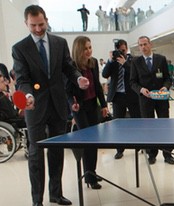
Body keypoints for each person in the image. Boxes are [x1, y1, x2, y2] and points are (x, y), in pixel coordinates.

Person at [12, 5, 89, 206]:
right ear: (26, 23)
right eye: (33, 25)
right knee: (36, 153)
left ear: (46, 20)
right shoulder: (19, 48)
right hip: (34, 106)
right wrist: (28, 94)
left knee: (57, 150)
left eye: (41, 24)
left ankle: (56, 193)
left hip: (57, 104)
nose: (38, 29)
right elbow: (22, 78)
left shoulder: (59, 43)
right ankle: (37, 199)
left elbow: (68, 68)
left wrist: (78, 78)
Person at [66, 36, 108, 190]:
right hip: (80, 107)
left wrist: (103, 105)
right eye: (85, 48)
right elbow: (67, 91)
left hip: (92, 105)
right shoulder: (71, 66)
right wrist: (72, 105)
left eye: (90, 47)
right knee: (88, 141)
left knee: (94, 140)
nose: (89, 51)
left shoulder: (93, 62)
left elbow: (97, 85)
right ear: (78, 49)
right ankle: (89, 176)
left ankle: (92, 172)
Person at [129, 36, 174, 165]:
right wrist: (141, 89)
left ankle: (167, 154)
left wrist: (165, 87)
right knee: (149, 128)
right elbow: (132, 82)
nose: (143, 47)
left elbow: (167, 78)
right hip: (145, 100)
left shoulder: (161, 59)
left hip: (161, 99)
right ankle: (151, 154)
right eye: (140, 45)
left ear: (150, 44)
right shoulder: (136, 62)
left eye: (145, 44)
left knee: (164, 126)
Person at [102, 39, 141, 159]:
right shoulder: (112, 62)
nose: (121, 53)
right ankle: (119, 149)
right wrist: (109, 60)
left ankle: (140, 145)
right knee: (118, 125)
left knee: (137, 122)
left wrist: (125, 63)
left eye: (123, 50)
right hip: (117, 96)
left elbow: (136, 74)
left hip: (132, 96)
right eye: (119, 50)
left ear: (127, 48)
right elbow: (104, 74)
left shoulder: (133, 60)